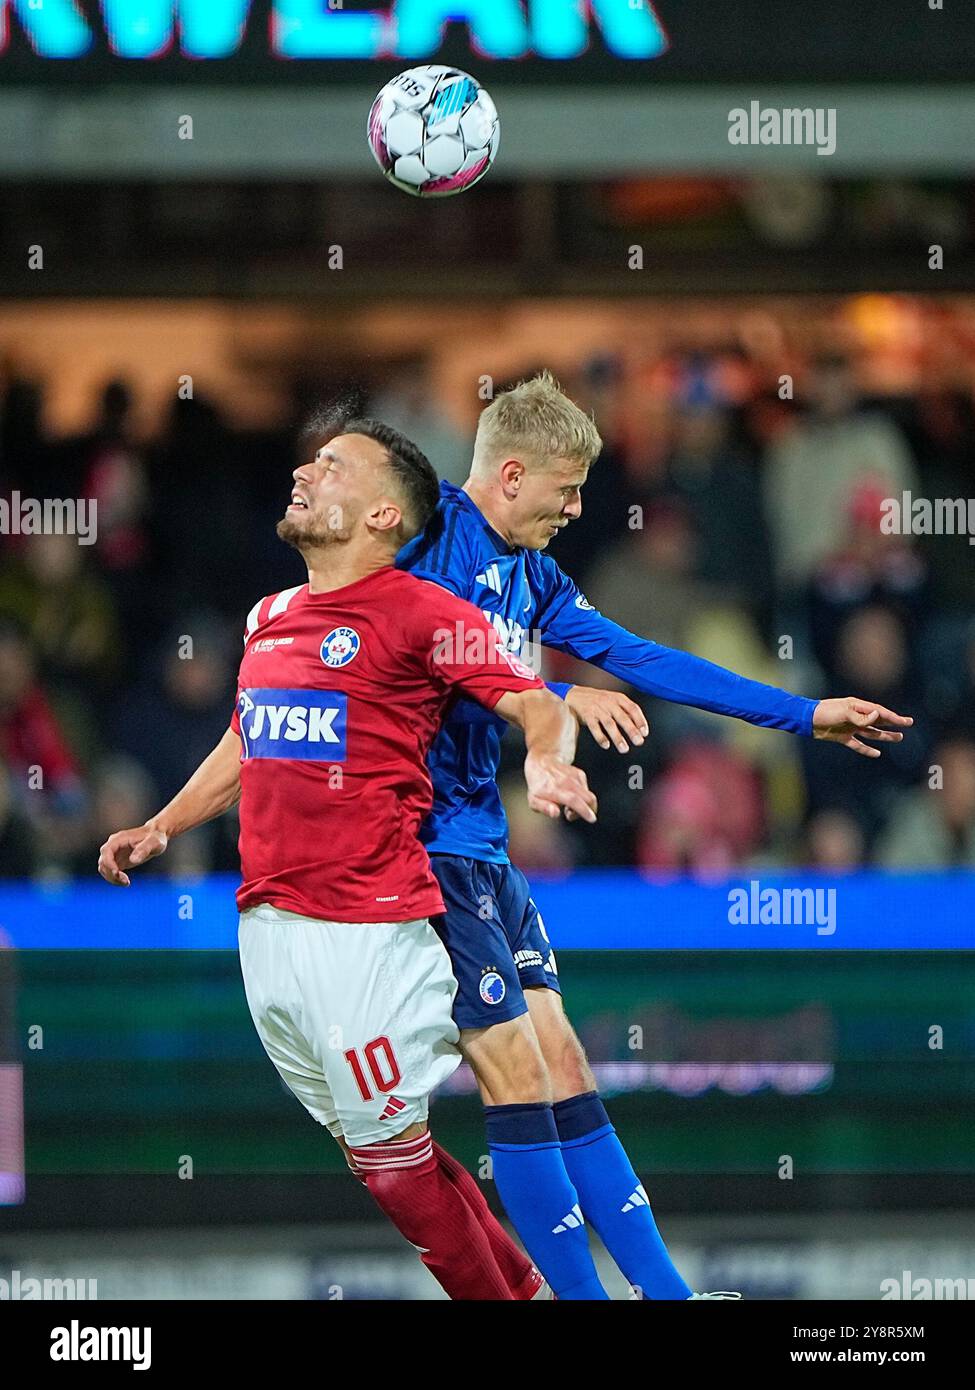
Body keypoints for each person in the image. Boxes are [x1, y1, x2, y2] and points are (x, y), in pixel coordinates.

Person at [397, 370, 913, 1300]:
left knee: (560, 1058)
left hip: (478, 847)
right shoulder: (422, 539)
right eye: (566, 488)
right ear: (510, 475)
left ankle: (663, 1297)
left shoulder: (531, 574)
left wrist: (803, 714)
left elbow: (642, 659)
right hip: (417, 845)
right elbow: (411, 669)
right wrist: (556, 697)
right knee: (513, 1070)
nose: (578, 508)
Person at [98, 415, 601, 1301]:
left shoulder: (423, 612)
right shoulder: (271, 616)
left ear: (379, 515)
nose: (304, 470)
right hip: (266, 932)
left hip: (367, 930)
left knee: (400, 1175)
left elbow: (529, 700)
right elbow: (248, 738)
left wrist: (549, 755)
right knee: (386, 1163)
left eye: (332, 466)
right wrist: (164, 826)